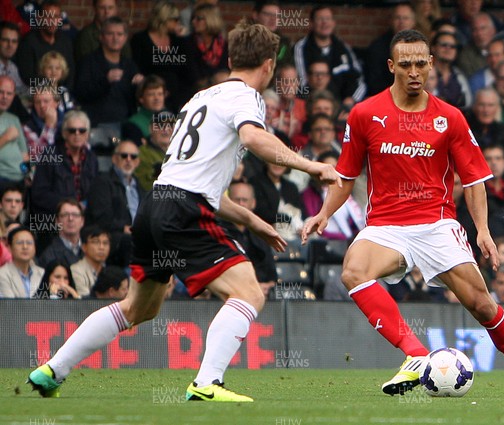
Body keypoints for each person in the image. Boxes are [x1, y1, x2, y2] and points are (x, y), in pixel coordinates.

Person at [27, 20, 340, 402]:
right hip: (182, 210)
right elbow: (254, 138)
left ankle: (51, 370)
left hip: (154, 204)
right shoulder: (247, 98)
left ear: (229, 57)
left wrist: (255, 222)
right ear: (269, 66)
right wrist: (313, 166)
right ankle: (207, 382)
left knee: (137, 308)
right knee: (249, 292)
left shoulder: (200, 99)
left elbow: (201, 184)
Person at [302, 29, 504, 399]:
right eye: (405, 64)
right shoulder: (364, 114)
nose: (414, 71)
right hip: (386, 225)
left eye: (421, 63)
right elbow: (346, 176)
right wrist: (324, 213)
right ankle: (416, 355)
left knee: (483, 305)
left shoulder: (450, 118)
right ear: (391, 66)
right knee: (353, 271)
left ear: (432, 64)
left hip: (436, 224)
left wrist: (482, 230)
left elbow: (475, 180)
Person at [75, 16, 143, 128]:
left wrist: (141, 85)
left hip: (125, 124)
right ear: (101, 37)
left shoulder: (129, 65)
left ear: (125, 38)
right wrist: (105, 81)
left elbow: (137, 98)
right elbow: (80, 93)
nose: (115, 38)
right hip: (97, 125)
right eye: (110, 34)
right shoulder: (88, 62)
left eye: (119, 34)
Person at [86, 140, 145, 268]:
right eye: (124, 156)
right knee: (130, 241)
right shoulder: (102, 182)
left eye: (133, 156)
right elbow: (100, 217)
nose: (128, 160)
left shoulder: (140, 187)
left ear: (137, 162)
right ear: (114, 159)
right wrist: (123, 228)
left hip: (137, 236)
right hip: (114, 237)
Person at [30, 110, 98, 216]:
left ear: (87, 135)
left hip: (85, 217)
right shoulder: (49, 155)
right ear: (64, 133)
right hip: (55, 216)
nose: (77, 134)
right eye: (72, 130)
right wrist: (68, 206)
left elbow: (95, 191)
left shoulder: (92, 158)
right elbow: (39, 194)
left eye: (82, 130)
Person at [221, 181, 278, 299]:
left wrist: (265, 287)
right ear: (228, 203)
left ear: (253, 203)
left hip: (263, 299)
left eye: (245, 200)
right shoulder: (218, 231)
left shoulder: (262, 235)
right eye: (237, 200)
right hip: (228, 299)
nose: (241, 204)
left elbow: (273, 279)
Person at [15, 0, 75, 90]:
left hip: (62, 93)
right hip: (35, 94)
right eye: (48, 16)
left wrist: (61, 92)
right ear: (39, 18)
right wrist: (50, 87)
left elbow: (71, 73)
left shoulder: (65, 41)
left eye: (56, 16)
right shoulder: (28, 42)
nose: (52, 21)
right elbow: (27, 77)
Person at [37, 199, 85, 268]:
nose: (70, 219)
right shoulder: (48, 256)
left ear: (82, 221)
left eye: (75, 215)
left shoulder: (90, 251)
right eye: (65, 215)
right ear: (57, 221)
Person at [121, 75, 167, 146]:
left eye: (160, 94)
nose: (157, 98)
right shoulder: (133, 124)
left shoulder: (172, 119)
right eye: (151, 94)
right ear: (141, 98)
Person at [0, 75, 27, 192]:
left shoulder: (14, 119)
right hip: (2, 179)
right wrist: (5, 137)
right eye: (1, 92)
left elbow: (24, 155)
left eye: (9, 94)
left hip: (20, 179)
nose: (4, 97)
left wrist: (27, 172)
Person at [0, 226, 43, 298]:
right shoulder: (2, 275)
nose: (25, 247)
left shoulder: (42, 273)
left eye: (29, 243)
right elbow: (10, 306)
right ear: (10, 248)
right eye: (19, 243)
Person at [70, 225, 110, 297]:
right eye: (96, 242)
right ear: (84, 247)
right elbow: (86, 301)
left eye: (105, 243)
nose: (101, 247)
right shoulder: (76, 270)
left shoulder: (109, 272)